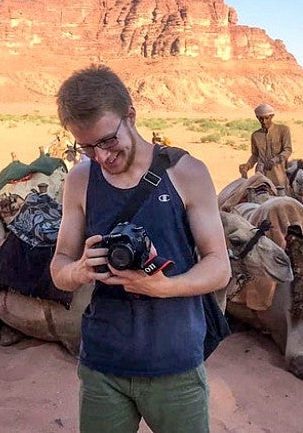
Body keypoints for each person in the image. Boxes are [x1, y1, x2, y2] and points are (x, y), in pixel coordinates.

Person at [50, 64, 231, 433]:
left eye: (106, 141)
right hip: (103, 365)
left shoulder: (186, 173)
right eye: (85, 147)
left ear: (130, 115)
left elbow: (219, 266)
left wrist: (164, 287)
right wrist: (79, 270)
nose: (100, 157)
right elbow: (59, 268)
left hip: (176, 365)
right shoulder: (80, 180)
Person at [238, 103, 292, 189]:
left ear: (272, 116)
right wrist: (247, 166)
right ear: (257, 118)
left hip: (279, 177)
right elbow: (255, 155)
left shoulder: (283, 130)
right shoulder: (255, 135)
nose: (264, 121)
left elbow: (287, 150)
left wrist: (274, 161)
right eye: (261, 118)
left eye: (267, 118)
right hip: (260, 176)